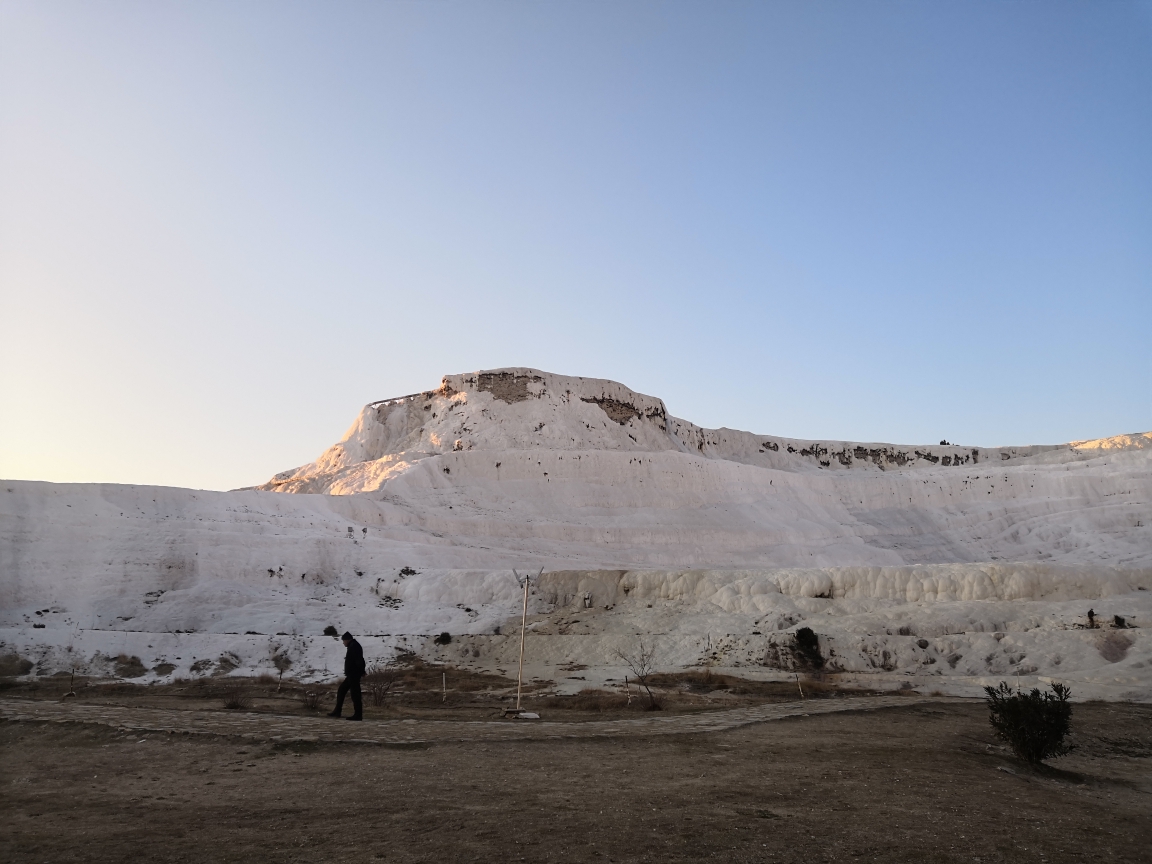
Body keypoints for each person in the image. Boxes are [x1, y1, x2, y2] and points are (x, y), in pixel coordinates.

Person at [328, 631, 366, 720]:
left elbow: (359, 660)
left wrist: (361, 671)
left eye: (343, 641)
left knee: (355, 694)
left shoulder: (354, 646)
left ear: (347, 640)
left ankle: (358, 715)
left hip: (354, 674)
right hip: (351, 674)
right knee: (342, 690)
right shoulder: (353, 646)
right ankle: (337, 711)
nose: (343, 643)